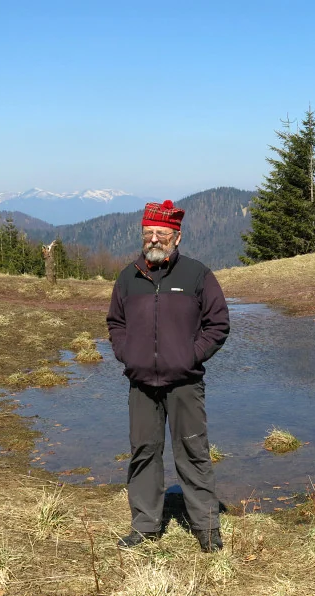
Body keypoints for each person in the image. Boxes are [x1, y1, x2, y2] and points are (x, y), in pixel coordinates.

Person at [106, 199, 230, 552]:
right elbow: (115, 323)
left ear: (177, 237)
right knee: (143, 453)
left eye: (161, 233)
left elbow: (218, 324)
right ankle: (145, 527)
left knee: (193, 453)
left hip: (185, 384)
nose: (154, 239)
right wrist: (128, 354)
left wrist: (190, 356)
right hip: (141, 384)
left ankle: (206, 529)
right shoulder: (128, 276)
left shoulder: (197, 274)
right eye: (148, 233)